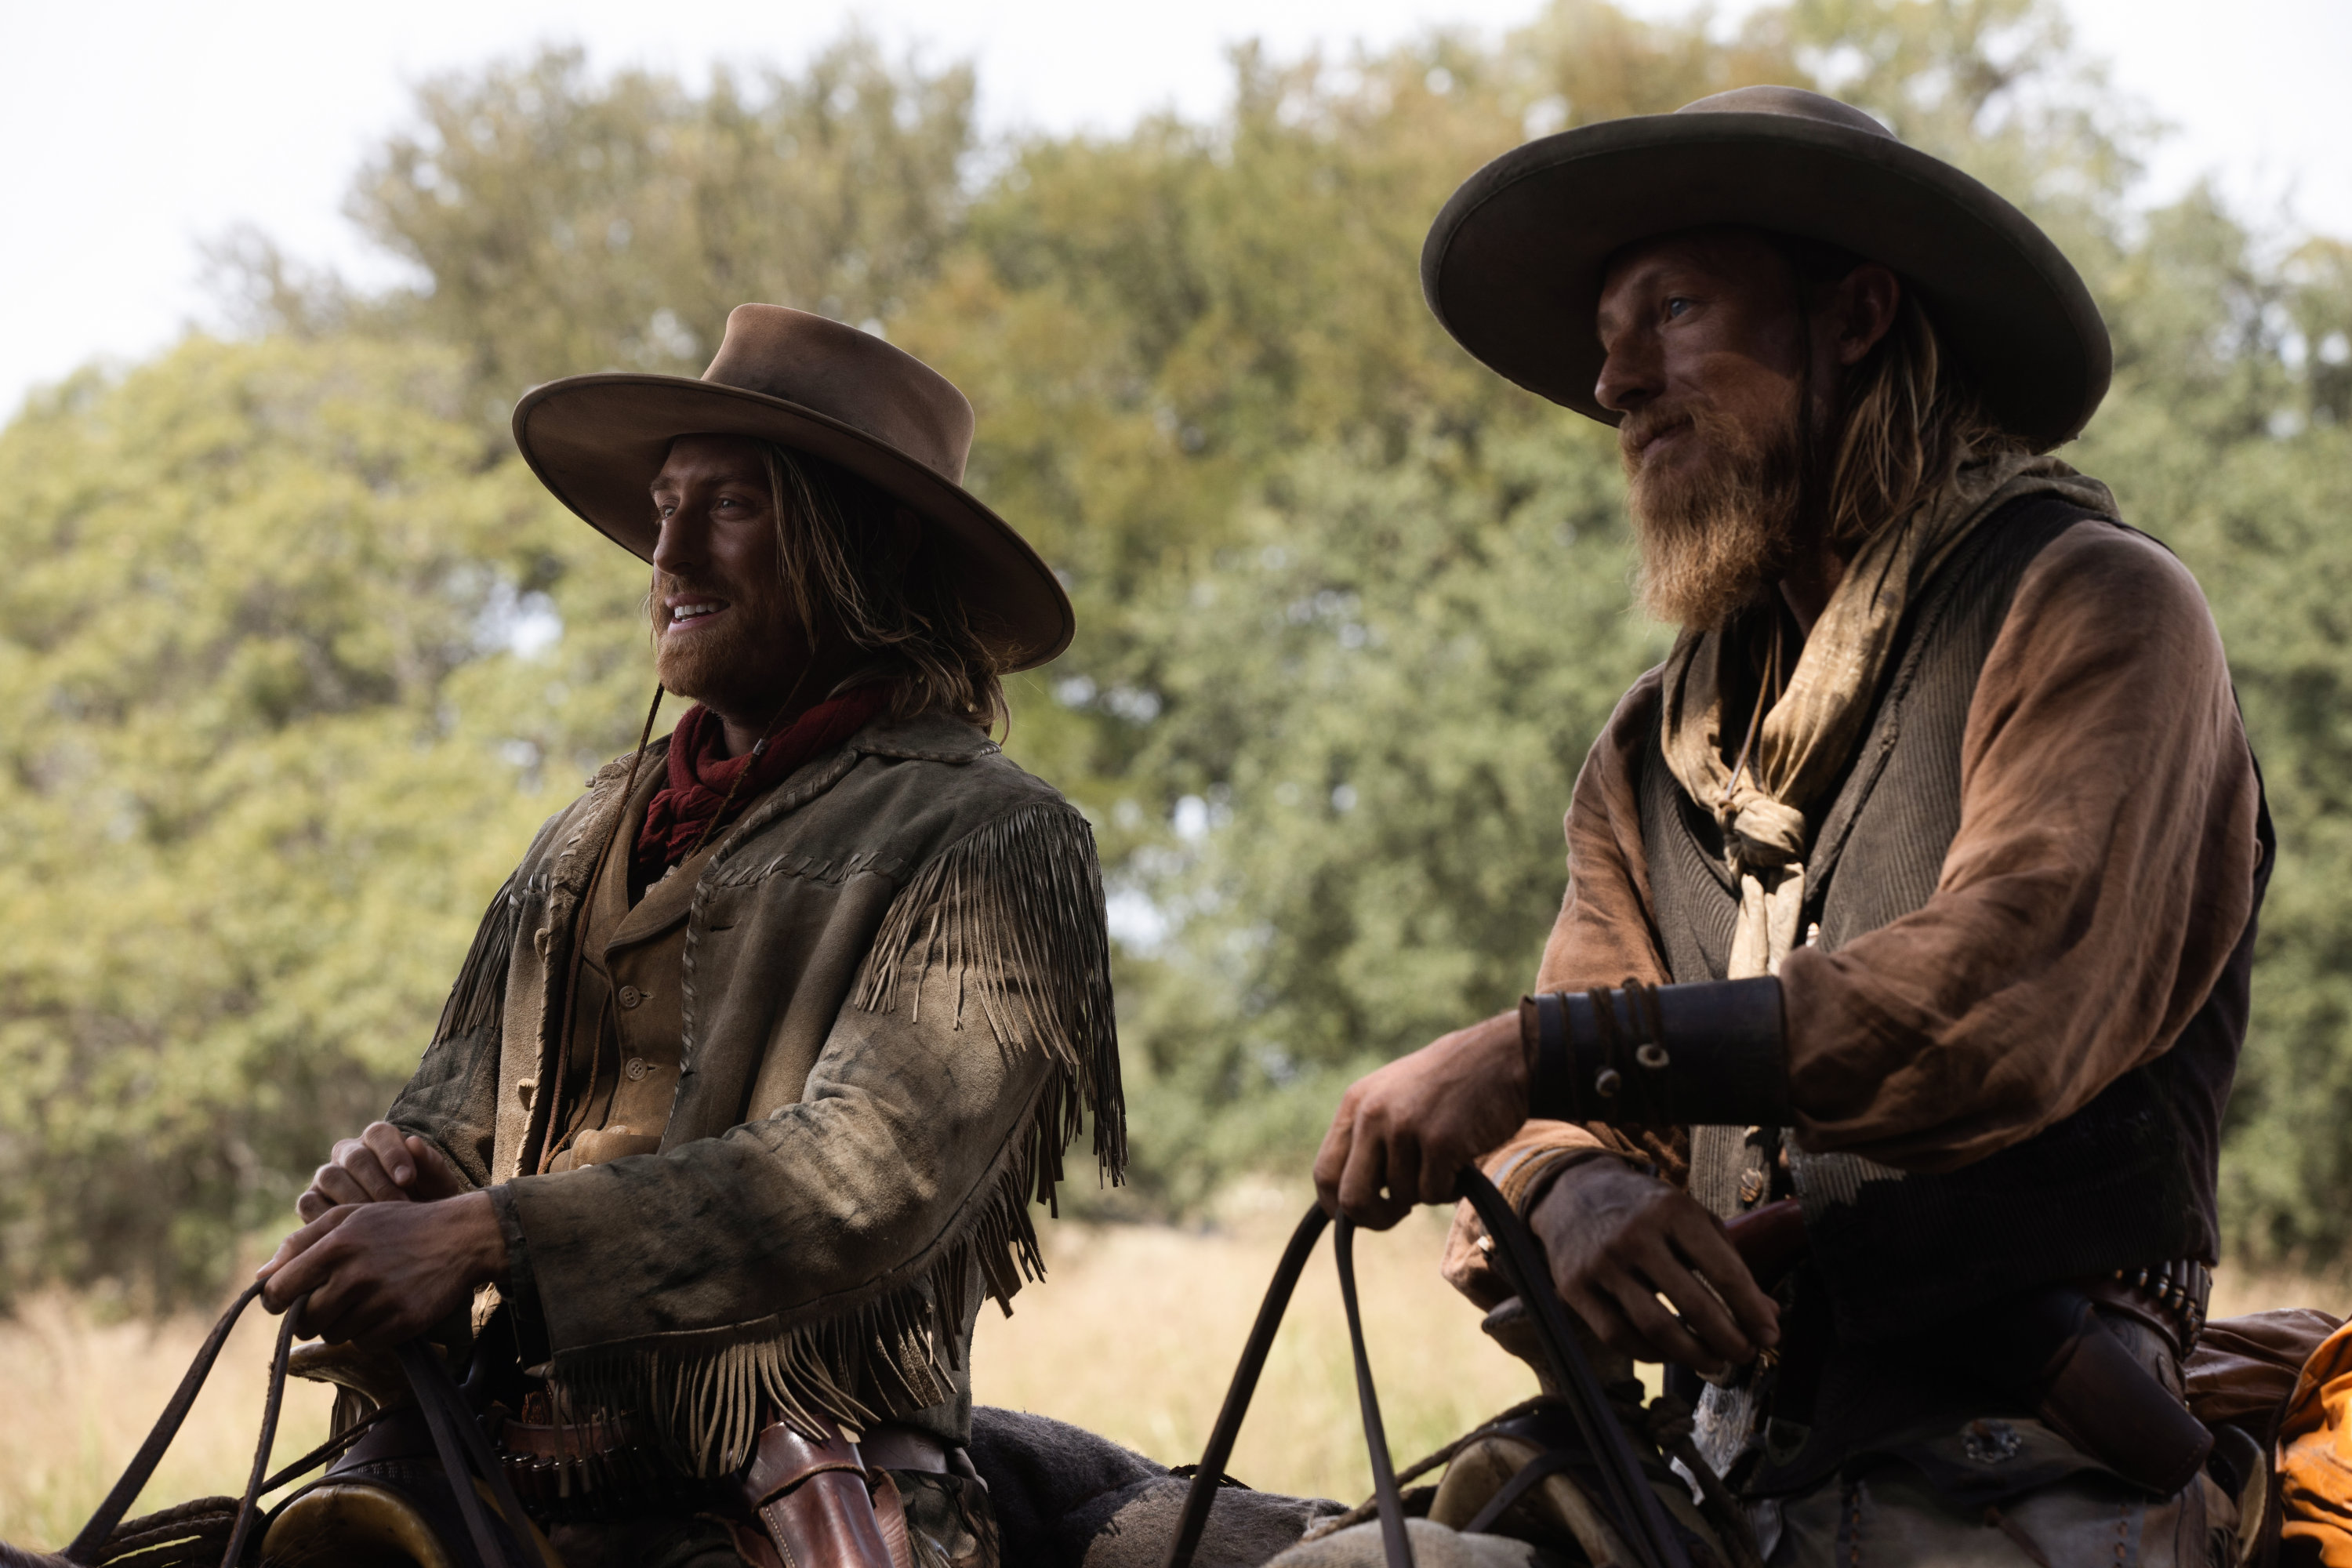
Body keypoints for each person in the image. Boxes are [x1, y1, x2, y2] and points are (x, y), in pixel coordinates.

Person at [1310, 87, 2269, 1566]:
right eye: (1610, 340)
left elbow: (1986, 1003)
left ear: (1858, 317)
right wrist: (1579, 1185)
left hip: (2022, 1474)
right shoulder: (1655, 743)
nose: (1617, 384)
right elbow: (1576, 1105)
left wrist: (1531, 1058)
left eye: (1675, 311)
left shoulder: (2093, 605)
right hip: (1719, 1469)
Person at [255, 304, 1124, 1568]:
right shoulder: (586, 832)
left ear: (863, 547)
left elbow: (862, 1179)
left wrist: (492, 1233)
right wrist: (390, 1184)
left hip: (809, 1505)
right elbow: (453, 1117)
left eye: (730, 508)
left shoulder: (993, 835)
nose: (667, 552)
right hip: (498, 1479)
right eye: (663, 506)